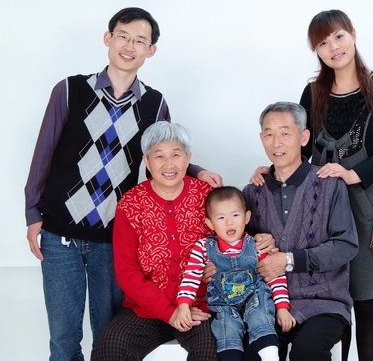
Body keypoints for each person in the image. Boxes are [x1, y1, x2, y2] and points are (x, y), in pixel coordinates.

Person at [24, 7, 222, 361]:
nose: (129, 46)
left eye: (140, 41)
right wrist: (32, 212)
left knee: (108, 337)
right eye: (123, 36)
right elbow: (44, 152)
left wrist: (198, 171)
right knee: (63, 340)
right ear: (108, 38)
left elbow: (164, 153)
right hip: (60, 233)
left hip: (110, 237)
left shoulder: (154, 103)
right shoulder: (70, 90)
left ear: (151, 50)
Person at [253, 10, 373, 361]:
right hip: (317, 205)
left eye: (338, 36)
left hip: (363, 205)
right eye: (322, 43)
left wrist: (353, 174)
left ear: (353, 34)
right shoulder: (313, 91)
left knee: (365, 296)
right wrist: (273, 166)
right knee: (329, 291)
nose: (333, 47)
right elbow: (300, 146)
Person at [91, 122, 275, 361]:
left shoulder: (206, 196)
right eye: (159, 156)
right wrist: (170, 312)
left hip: (201, 307)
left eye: (176, 155)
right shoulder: (130, 204)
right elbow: (127, 273)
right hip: (146, 310)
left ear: (188, 158)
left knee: (211, 352)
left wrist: (261, 238)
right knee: (110, 348)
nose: (169, 164)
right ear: (146, 161)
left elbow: (235, 236)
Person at [243, 102, 359, 361]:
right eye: (269, 134)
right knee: (252, 353)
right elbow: (236, 246)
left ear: (304, 137)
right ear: (261, 138)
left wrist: (288, 260)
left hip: (325, 302)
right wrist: (254, 241)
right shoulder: (252, 192)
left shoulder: (330, 185)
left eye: (285, 133)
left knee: (307, 351)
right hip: (269, 304)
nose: (276, 143)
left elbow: (345, 245)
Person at [174, 186, 295, 361]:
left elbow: (275, 277)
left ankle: (270, 356)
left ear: (247, 217)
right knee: (226, 328)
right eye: (221, 217)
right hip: (224, 304)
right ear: (210, 223)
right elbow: (190, 277)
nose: (229, 223)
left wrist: (282, 308)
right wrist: (184, 305)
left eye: (235, 215)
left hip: (254, 298)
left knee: (260, 314)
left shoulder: (256, 245)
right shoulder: (203, 247)